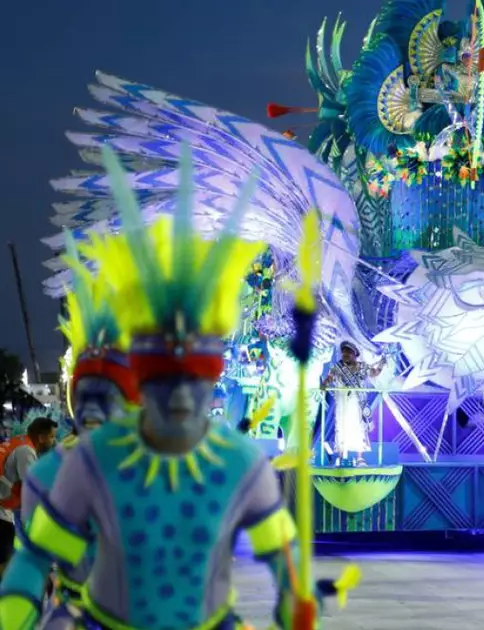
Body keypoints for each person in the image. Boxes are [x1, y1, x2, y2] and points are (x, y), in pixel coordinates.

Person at [0, 151, 349, 628]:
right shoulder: (91, 463)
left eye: (194, 382)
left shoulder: (241, 465)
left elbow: (285, 565)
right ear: (143, 383)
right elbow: (34, 558)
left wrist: (297, 601)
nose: (182, 399)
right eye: (165, 384)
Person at [5, 243, 140, 621]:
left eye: (107, 395)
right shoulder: (52, 470)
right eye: (85, 395)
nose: (92, 408)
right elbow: (32, 560)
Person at [0, 417, 58, 571]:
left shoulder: (20, 442)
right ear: (41, 437)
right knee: (5, 561)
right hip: (2, 512)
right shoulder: (26, 451)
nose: (53, 441)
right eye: (52, 436)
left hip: (6, 508)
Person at [321, 341, 383, 467]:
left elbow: (374, 373)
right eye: (344, 352)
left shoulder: (362, 366)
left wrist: (382, 363)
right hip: (342, 404)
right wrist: (324, 383)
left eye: (348, 352)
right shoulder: (337, 367)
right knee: (341, 428)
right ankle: (341, 457)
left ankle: (360, 458)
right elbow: (328, 379)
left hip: (358, 404)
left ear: (355, 354)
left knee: (359, 428)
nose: (345, 354)